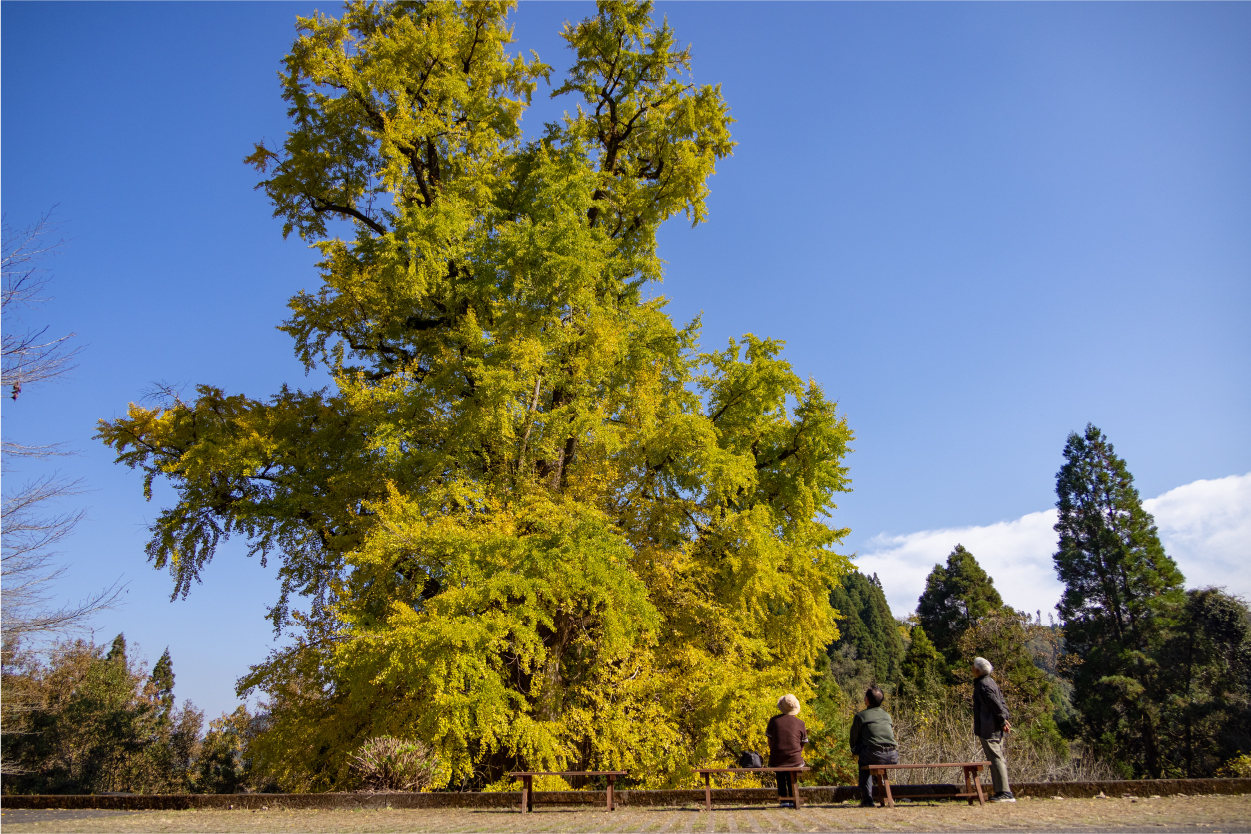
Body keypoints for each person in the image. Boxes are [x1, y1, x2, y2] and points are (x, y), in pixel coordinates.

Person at [972, 656, 1016, 802]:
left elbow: (996, 705)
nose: (971, 669)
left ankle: (1005, 792)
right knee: (996, 758)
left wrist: (1002, 720)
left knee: (996, 759)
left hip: (989, 727)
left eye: (973, 667)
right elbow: (1001, 703)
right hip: (991, 726)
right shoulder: (989, 682)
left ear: (977, 670)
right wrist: (1003, 719)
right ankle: (1001, 791)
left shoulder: (983, 685)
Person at [849, 684, 899, 807]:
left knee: (864, 762)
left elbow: (853, 739)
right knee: (869, 752)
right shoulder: (887, 716)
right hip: (893, 755)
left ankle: (867, 799)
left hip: (873, 754)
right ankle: (878, 784)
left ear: (867, 700)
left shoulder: (861, 716)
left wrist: (855, 749)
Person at [766, 694, 808, 809]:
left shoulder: (774, 721)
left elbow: (770, 741)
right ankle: (792, 797)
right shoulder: (801, 723)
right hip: (795, 760)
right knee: (792, 770)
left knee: (780, 770)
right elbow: (802, 744)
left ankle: (783, 798)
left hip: (777, 759)